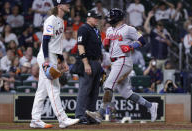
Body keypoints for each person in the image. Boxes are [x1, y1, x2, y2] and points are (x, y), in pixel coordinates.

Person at [86, 8, 158, 123]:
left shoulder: (128, 29)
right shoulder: (109, 30)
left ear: (117, 17)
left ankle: (99, 113)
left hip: (124, 61)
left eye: (111, 16)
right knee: (126, 93)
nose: (109, 19)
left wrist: (131, 47)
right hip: (114, 62)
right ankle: (150, 106)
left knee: (108, 85)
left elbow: (142, 40)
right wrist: (105, 44)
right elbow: (108, 45)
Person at [30, 0, 79, 129]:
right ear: (59, 6)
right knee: (54, 88)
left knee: (42, 90)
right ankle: (62, 119)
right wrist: (46, 61)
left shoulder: (61, 22)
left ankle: (35, 119)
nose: (69, 5)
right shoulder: (51, 20)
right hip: (46, 57)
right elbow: (45, 41)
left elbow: (56, 45)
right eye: (66, 3)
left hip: (52, 56)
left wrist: (62, 61)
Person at [75, 10, 103, 124]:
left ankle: (90, 115)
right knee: (84, 90)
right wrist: (86, 63)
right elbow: (80, 46)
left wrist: (100, 66)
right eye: (95, 17)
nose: (97, 19)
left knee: (94, 91)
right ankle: (80, 115)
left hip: (96, 62)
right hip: (88, 62)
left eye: (98, 17)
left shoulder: (95, 30)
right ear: (88, 18)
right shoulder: (84, 28)